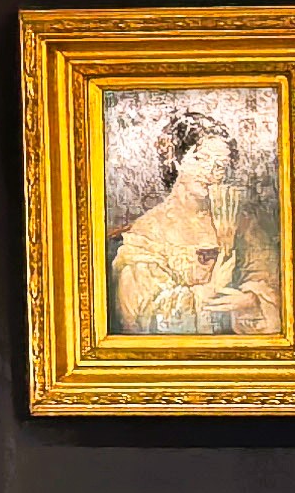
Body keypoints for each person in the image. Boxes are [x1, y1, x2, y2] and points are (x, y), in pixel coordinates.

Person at [108, 112, 278, 337]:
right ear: (176, 160)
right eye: (200, 159)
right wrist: (209, 292)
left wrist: (251, 300)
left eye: (220, 165)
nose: (210, 172)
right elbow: (139, 314)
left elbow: (270, 282)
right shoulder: (149, 230)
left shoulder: (243, 224)